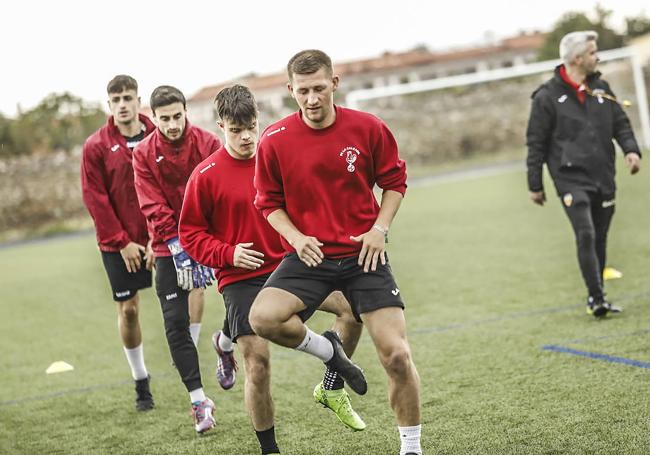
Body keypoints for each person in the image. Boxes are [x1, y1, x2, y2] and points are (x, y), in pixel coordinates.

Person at [250, 50, 422, 455]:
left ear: (334, 84)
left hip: (364, 257)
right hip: (310, 257)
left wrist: (380, 229)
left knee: (397, 355)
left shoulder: (368, 128)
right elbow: (267, 203)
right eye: (303, 91)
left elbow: (395, 182)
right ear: (291, 90)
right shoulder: (274, 140)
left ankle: (411, 449)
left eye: (319, 89)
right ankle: (331, 352)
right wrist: (296, 238)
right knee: (262, 317)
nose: (312, 99)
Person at [178, 85, 366, 453]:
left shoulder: (278, 158)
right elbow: (190, 234)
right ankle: (270, 450)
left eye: (251, 126)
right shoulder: (205, 175)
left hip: (290, 266)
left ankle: (330, 385)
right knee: (258, 363)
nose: (247, 137)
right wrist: (228, 253)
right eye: (236, 130)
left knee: (352, 308)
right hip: (240, 277)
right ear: (221, 127)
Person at [526, 31, 642, 318]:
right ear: (577, 59)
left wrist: (631, 150)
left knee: (599, 236)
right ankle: (596, 298)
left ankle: (598, 292)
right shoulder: (546, 97)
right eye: (592, 52)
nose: (597, 56)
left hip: (603, 175)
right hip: (569, 179)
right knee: (586, 232)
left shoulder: (602, 88)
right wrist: (535, 184)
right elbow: (536, 143)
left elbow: (621, 125)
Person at [132, 85, 225, 433]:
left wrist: (203, 243)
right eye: (164, 118)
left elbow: (218, 190)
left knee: (245, 301)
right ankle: (199, 401)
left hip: (211, 238)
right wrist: (176, 245)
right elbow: (151, 203)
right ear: (153, 117)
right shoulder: (142, 153)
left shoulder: (208, 143)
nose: (172, 124)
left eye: (177, 116)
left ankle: (225, 343)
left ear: (186, 111)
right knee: (174, 323)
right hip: (169, 246)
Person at [81, 75, 156, 412]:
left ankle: (195, 375)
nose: (123, 104)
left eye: (128, 97)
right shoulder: (95, 146)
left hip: (161, 238)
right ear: (109, 105)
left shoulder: (158, 135)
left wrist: (160, 235)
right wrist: (121, 241)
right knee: (129, 310)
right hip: (118, 244)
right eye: (116, 100)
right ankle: (141, 380)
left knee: (184, 302)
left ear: (138, 100)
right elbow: (94, 197)